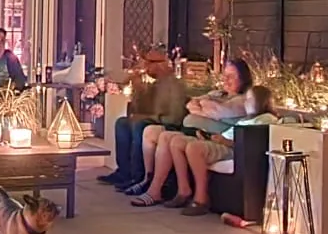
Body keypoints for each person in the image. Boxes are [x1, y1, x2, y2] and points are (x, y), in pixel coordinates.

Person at [130, 58, 261, 216]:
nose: (226, 80)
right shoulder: (217, 93)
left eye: (231, 76)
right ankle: (172, 188)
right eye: (225, 75)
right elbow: (191, 104)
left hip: (215, 138)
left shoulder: (241, 100)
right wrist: (206, 106)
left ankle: (170, 192)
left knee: (176, 140)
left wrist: (206, 106)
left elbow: (218, 112)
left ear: (243, 78)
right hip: (196, 132)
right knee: (167, 138)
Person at [98, 49, 187, 188]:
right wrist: (137, 89)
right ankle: (124, 172)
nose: (145, 66)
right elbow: (137, 111)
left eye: (149, 62)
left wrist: (148, 117)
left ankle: (138, 176)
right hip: (152, 121)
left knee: (139, 125)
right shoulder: (154, 84)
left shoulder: (175, 86)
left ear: (162, 64)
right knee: (122, 123)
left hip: (169, 125)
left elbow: (175, 118)